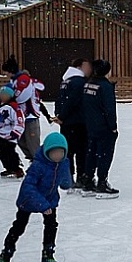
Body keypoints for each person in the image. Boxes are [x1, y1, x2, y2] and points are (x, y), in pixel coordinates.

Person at [0, 132, 71, 262]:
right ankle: (5, 255)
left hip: (49, 200)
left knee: (51, 226)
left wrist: (67, 180)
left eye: (61, 152)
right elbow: (28, 188)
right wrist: (42, 205)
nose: (57, 156)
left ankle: (48, 255)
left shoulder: (62, 163)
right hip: (29, 200)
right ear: (47, 152)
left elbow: (64, 182)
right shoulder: (38, 166)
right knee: (18, 227)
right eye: (54, 152)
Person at [82, 59, 119, 196]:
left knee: (91, 153)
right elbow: (109, 108)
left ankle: (88, 180)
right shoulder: (105, 86)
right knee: (104, 154)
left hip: (91, 125)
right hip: (103, 127)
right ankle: (102, 182)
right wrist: (113, 127)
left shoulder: (88, 84)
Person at [53, 59, 92, 188]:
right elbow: (72, 101)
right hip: (78, 122)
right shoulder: (79, 82)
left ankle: (68, 177)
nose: (89, 69)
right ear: (79, 67)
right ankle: (80, 177)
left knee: (68, 151)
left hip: (67, 123)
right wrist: (62, 115)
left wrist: (59, 115)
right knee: (81, 151)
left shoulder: (65, 81)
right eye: (87, 66)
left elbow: (59, 99)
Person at [2, 55, 40, 162]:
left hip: (30, 117)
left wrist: (10, 99)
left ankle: (40, 165)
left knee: (33, 144)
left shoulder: (23, 79)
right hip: (20, 118)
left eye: (5, 72)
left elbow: (22, 97)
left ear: (10, 71)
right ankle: (34, 163)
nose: (5, 75)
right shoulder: (14, 81)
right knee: (22, 142)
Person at [0, 86, 24, 178]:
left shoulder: (14, 107)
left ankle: (16, 168)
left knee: (9, 152)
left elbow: (19, 121)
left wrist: (16, 132)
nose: (2, 96)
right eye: (1, 94)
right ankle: (8, 168)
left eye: (4, 94)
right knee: (1, 152)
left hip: (9, 135)